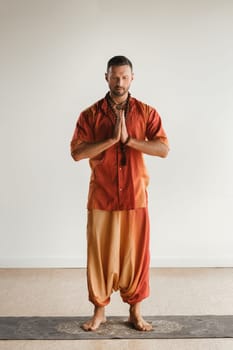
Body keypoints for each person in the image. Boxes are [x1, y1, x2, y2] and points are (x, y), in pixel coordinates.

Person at [70, 55, 169, 332]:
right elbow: (77, 152)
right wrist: (111, 140)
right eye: (115, 77)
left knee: (136, 256)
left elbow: (163, 148)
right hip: (102, 196)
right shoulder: (90, 114)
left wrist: (130, 141)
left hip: (135, 196)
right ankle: (99, 311)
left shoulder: (147, 112)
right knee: (99, 256)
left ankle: (135, 312)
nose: (120, 82)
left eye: (125, 77)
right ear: (106, 77)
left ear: (132, 78)